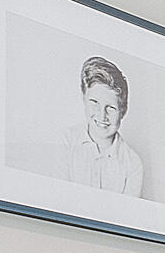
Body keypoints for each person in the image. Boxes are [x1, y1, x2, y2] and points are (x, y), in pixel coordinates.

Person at [62, 56, 145, 196]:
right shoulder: (65, 141)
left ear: (123, 111)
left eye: (111, 107)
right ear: (84, 100)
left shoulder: (133, 163)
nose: (102, 115)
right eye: (94, 102)